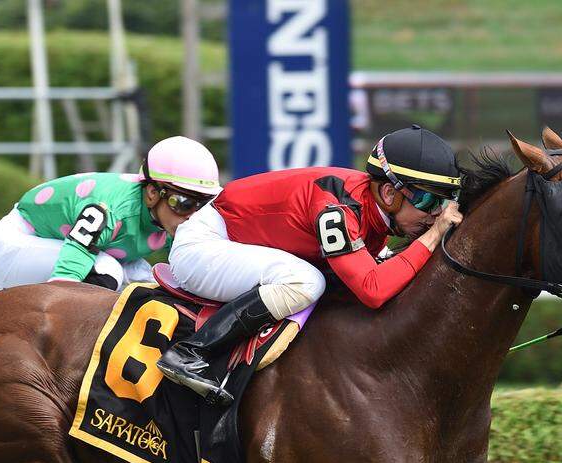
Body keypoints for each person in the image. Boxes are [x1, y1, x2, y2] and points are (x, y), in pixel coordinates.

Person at [159, 124, 465, 405]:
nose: (436, 214)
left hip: (233, 244)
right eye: (428, 201)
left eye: (444, 203)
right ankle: (191, 351)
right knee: (306, 281)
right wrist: (434, 236)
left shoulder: (370, 211)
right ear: (388, 192)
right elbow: (373, 289)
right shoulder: (336, 209)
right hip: (204, 247)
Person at [0, 136, 221, 292]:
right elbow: (66, 278)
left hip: (73, 246)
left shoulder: (170, 218)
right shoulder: (108, 210)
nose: (193, 215)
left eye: (203, 204)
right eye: (183, 202)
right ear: (151, 193)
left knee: (153, 282)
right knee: (108, 271)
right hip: (15, 244)